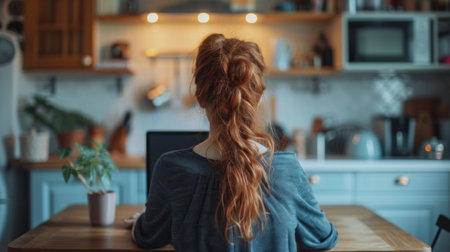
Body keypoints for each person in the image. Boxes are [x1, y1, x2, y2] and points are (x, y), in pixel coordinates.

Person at [130, 33, 338, 251]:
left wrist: (138, 222)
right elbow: (323, 238)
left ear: (200, 97)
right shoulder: (286, 170)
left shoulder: (171, 169)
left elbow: (148, 236)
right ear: (257, 98)